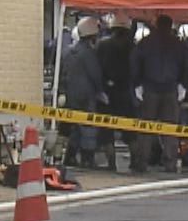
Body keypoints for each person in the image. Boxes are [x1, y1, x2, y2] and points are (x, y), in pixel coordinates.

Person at [130, 14, 188, 172]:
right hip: (171, 90)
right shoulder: (178, 44)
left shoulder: (145, 43)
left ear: (156, 25)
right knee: (170, 130)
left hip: (150, 89)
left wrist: (137, 84)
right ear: (170, 25)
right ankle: (170, 162)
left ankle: (142, 162)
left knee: (146, 128)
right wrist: (184, 85)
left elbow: (134, 63)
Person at [56, 16, 105, 169]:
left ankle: (70, 156)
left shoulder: (68, 51)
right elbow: (95, 74)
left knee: (73, 128)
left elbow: (63, 73)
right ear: (93, 35)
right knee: (88, 128)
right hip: (86, 96)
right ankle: (87, 158)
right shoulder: (89, 53)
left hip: (70, 95)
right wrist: (101, 91)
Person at [97, 21, 137, 171]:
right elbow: (136, 68)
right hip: (126, 92)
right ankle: (136, 161)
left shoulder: (102, 46)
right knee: (131, 130)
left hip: (107, 93)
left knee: (107, 131)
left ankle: (111, 163)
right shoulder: (132, 47)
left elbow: (98, 67)